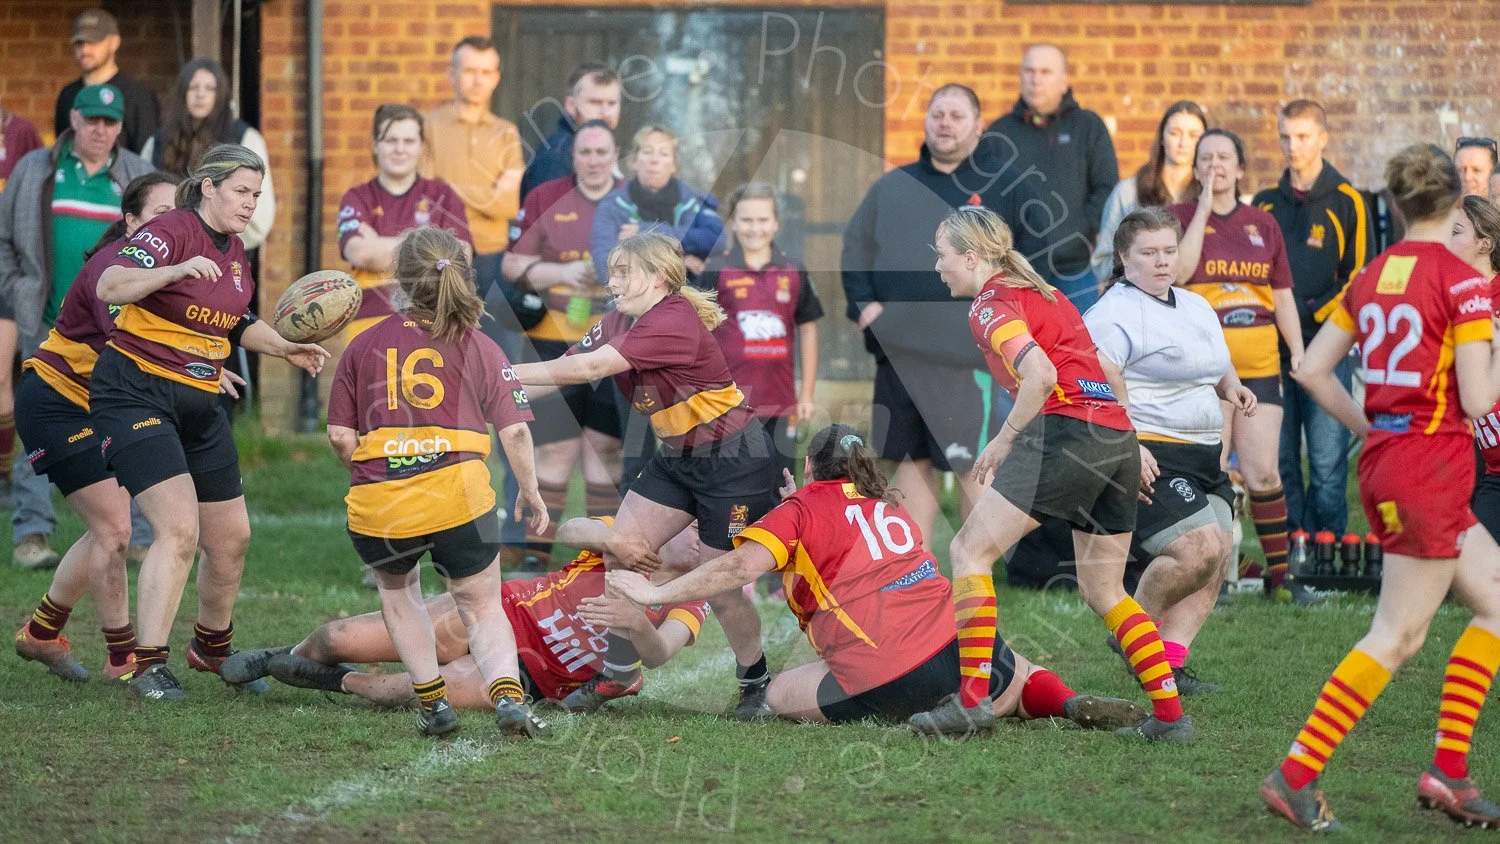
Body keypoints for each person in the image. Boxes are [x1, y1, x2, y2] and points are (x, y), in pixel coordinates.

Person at [606, 424, 1147, 731]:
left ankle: (926, 706)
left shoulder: (802, 506)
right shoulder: (886, 505)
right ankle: (1067, 701)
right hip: (964, 645)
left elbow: (739, 566)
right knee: (1019, 672)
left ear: (812, 469)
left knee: (777, 698)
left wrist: (657, 592)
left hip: (889, 670)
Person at [1261, 144, 1500, 832]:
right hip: (1432, 462)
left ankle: (1448, 771)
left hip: (1401, 457)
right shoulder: (1462, 281)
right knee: (1396, 635)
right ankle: (1295, 775)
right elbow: (1481, 399)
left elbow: (1308, 368)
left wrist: (1371, 425)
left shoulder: (1370, 275)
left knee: (1493, 601)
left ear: (1394, 204)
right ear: (1455, 198)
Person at [907, 206, 1192, 744]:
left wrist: (1005, 437)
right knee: (1106, 589)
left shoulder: (991, 304)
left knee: (969, 552)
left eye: (941, 254)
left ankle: (972, 705)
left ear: (971, 257)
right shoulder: (1046, 291)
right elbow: (1105, 369)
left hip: (1065, 434)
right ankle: (1171, 719)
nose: (938, 265)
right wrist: (1128, 440)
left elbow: (1040, 374)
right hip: (1112, 436)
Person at [92, 144, 327, 702]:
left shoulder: (235, 247)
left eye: (256, 195)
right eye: (242, 192)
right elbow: (111, 286)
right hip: (135, 393)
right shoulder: (172, 229)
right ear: (208, 188)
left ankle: (212, 651)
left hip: (199, 402)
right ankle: (147, 665)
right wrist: (175, 266)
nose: (250, 204)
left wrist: (286, 348)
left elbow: (236, 320)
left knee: (231, 539)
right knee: (177, 528)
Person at [510, 232, 779, 720]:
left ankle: (754, 679)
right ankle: (619, 674)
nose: (611, 282)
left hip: (734, 463)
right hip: (678, 457)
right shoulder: (620, 317)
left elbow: (589, 366)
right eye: (611, 271)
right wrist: (499, 390)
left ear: (658, 278)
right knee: (622, 548)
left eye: (622, 272)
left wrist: (500, 375)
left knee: (720, 587)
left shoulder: (672, 318)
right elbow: (571, 364)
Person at [325, 226, 550, 738]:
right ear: (463, 278)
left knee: (401, 595)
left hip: (379, 504)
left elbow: (341, 436)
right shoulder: (481, 345)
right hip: (459, 500)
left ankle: (432, 704)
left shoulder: (363, 344)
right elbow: (514, 430)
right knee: (481, 606)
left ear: (398, 281)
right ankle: (508, 698)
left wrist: (368, 473)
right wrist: (531, 493)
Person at [841, 84, 1045, 551]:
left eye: (956, 115)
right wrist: (864, 308)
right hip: (899, 354)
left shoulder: (1005, 186)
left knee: (975, 465)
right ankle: (917, 574)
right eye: (937, 114)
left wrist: (1014, 311)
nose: (945, 123)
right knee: (912, 465)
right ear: (926, 122)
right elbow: (855, 248)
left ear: (977, 126)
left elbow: (1034, 258)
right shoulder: (894, 185)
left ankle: (978, 573)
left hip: (969, 357)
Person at [218, 517, 708, 709]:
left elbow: (661, 653)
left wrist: (636, 621)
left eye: (698, 531)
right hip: (497, 613)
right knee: (334, 637)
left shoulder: (691, 596)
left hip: (533, 673)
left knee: (407, 691)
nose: (693, 534)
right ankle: (283, 654)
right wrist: (609, 537)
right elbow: (573, 526)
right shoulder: (626, 542)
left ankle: (334, 681)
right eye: (689, 524)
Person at [11, 172, 177, 684]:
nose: (169, 225)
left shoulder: (159, 275)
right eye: (158, 214)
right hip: (54, 401)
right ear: (130, 221)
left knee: (109, 529)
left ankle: (43, 633)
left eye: (177, 215)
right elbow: (130, 348)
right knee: (114, 527)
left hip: (92, 406)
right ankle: (122, 658)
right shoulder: (116, 267)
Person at [1086, 208, 1257, 695]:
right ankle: (1132, 631)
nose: (1162, 262)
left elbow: (1215, 361)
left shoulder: (1195, 304)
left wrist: (1234, 388)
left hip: (1206, 453)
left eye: (1168, 251)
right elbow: (1098, 386)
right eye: (1149, 253)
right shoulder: (1112, 312)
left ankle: (1170, 665)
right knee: (1196, 550)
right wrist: (1129, 446)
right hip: (1154, 451)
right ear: (1124, 257)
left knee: (1220, 553)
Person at [0, 84, 153, 571]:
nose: (99, 130)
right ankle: (32, 533)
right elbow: (3, 238)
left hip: (118, 330)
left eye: (110, 122)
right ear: (73, 119)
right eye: (91, 120)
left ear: (121, 127)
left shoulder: (135, 176)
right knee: (36, 422)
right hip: (43, 320)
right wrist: (18, 287)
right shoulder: (35, 169)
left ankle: (139, 535)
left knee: (129, 424)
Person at [1173, 129, 1306, 601]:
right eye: (1205, 157)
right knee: (1212, 470)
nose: (1215, 164)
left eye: (1225, 157)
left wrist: (1300, 352)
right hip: (1204, 370)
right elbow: (1180, 273)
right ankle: (1217, 576)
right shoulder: (1179, 218)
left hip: (1261, 364)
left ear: (1241, 168)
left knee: (1263, 472)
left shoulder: (1263, 225)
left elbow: (1282, 296)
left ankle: (1280, 578)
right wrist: (1204, 206)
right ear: (1194, 169)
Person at [502, 120, 624, 570]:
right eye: (585, 153)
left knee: (605, 449)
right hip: (552, 342)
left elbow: (660, 260)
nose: (593, 161)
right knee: (553, 450)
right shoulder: (546, 196)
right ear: (573, 157)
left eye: (602, 152)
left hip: (615, 348)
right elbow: (513, 265)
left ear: (616, 155)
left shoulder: (632, 199)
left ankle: (601, 556)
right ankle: (536, 556)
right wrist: (561, 274)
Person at [1254, 100, 1371, 543]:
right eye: (1285, 136)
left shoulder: (1348, 201)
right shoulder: (1265, 203)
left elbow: (1358, 274)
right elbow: (1256, 271)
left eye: (1302, 136)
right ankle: (1293, 548)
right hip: (1273, 348)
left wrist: (1309, 315)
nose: (1292, 146)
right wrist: (1278, 319)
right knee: (1282, 457)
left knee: (1325, 459)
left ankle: (1331, 546)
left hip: (1327, 347)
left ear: (1323, 138)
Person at [698, 182, 823, 478]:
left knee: (780, 485)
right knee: (729, 485)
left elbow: (808, 330)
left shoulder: (793, 269)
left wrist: (806, 395)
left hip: (780, 404)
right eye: (746, 220)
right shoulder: (716, 269)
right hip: (727, 403)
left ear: (776, 223)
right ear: (733, 222)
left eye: (763, 220)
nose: (755, 228)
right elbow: (698, 333)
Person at [982, 43, 1119, 311]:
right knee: (1018, 351)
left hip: (1075, 270)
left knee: (1080, 348)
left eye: (1045, 72)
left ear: (1064, 81)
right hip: (1016, 273)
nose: (1036, 79)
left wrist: (1078, 232)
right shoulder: (999, 134)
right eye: (1029, 71)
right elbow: (987, 199)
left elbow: (1106, 189)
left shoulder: (1088, 126)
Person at [338, 104, 472, 341]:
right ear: (375, 144)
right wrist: (432, 250)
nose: (400, 149)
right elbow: (360, 254)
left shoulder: (443, 196)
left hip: (432, 324)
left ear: (421, 146)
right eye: (391, 140)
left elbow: (462, 256)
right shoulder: (357, 197)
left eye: (409, 141)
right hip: (369, 326)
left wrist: (378, 243)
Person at [421, 36, 522, 312]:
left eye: (486, 72)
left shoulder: (506, 133)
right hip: (443, 253)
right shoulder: (428, 127)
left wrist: (450, 188)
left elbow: (508, 204)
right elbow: (426, 197)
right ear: (452, 74)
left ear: (496, 78)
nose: (478, 80)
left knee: (500, 351)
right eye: (470, 71)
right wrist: (488, 195)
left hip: (493, 258)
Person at [141, 58, 276, 251]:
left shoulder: (245, 139)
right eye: (193, 87)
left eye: (209, 89)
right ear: (182, 93)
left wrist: (216, 243)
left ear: (220, 94)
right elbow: (143, 203)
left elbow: (259, 216)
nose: (201, 95)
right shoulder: (158, 142)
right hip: (166, 251)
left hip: (223, 255)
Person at [1090, 101, 1207, 286]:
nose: (1183, 143)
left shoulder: (1208, 196)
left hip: (1196, 301)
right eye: (1174, 133)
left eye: (1193, 135)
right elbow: (1102, 262)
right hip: (1137, 301)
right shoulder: (1128, 192)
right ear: (1162, 136)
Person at [53, 9, 159, 154]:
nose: (85, 50)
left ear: (114, 42)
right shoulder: (68, 95)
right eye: (79, 43)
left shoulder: (138, 94)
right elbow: (62, 152)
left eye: (93, 41)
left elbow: (147, 155)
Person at [1458, 198, 1500, 536]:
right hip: (1493, 471)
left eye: (1455, 232)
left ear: (1484, 243)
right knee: (1470, 570)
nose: (1445, 240)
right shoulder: (1453, 298)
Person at [521, 63, 623, 201]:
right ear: (571, 105)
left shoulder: (606, 150)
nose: (605, 112)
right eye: (595, 102)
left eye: (612, 103)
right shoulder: (557, 157)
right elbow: (554, 219)